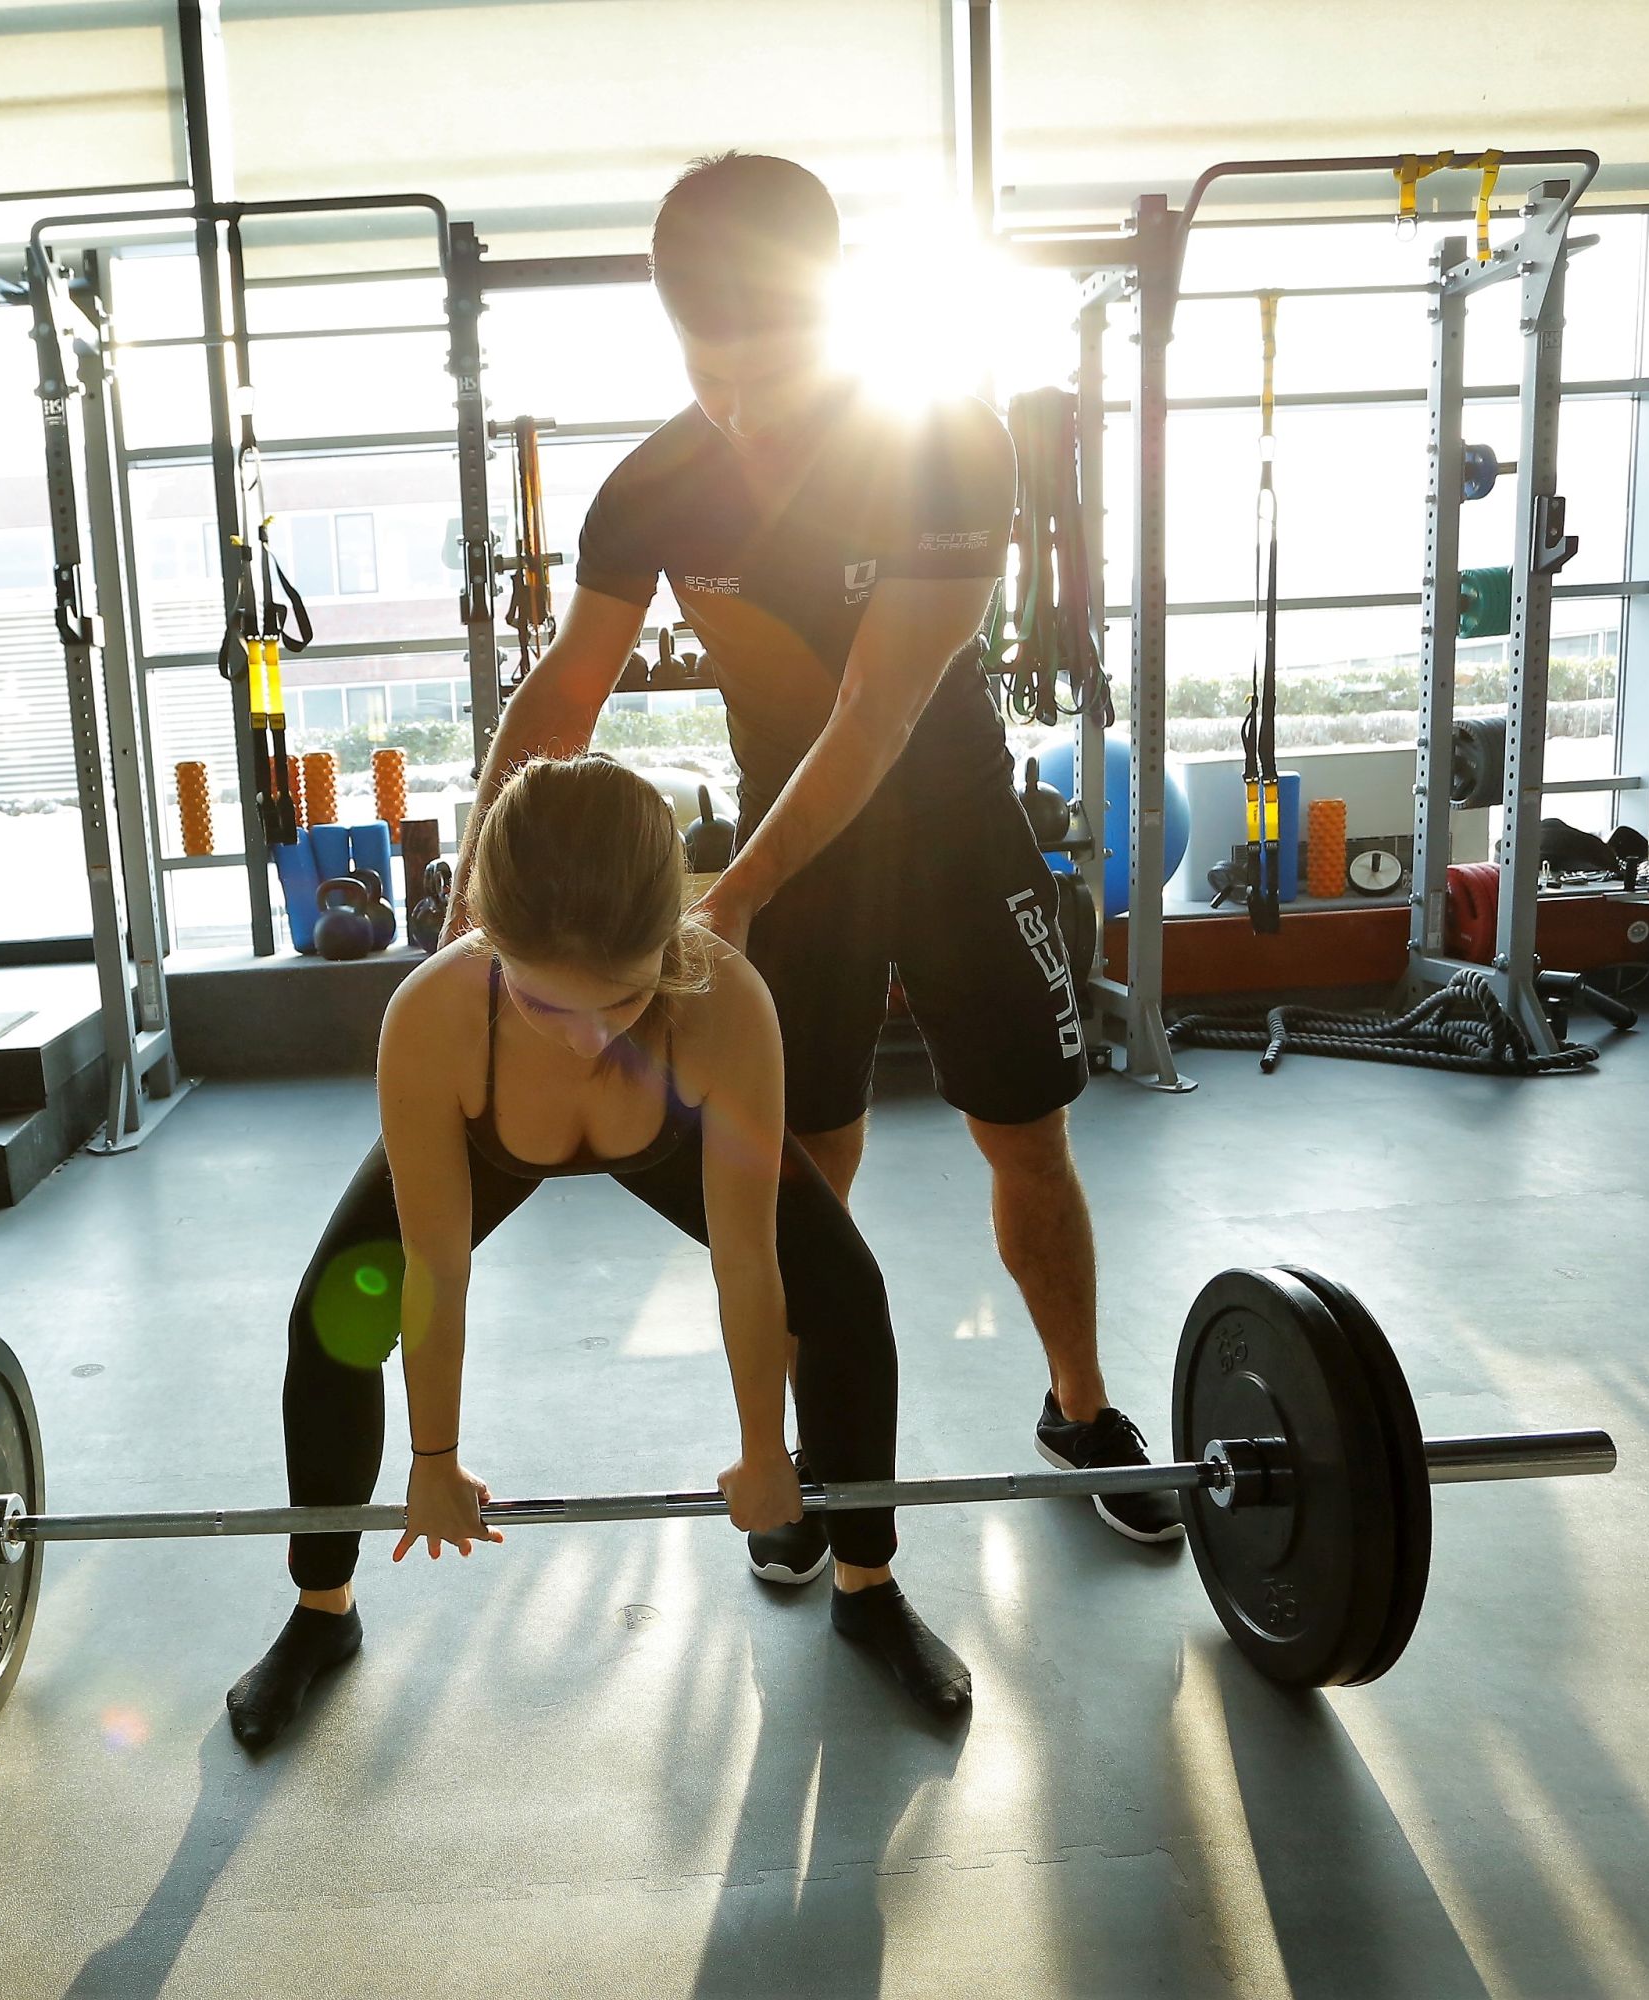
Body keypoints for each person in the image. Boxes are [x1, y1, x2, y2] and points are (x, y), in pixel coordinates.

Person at [448, 153, 1181, 1557]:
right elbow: (563, 694)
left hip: (955, 833)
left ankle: (1081, 1408)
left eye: (769, 378)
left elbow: (878, 708)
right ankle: (791, 1452)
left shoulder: (950, 446)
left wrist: (732, 896)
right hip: (795, 859)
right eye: (709, 378)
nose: (742, 414)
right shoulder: (653, 488)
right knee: (799, 1167)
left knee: (1024, 1138)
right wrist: (472, 902)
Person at [226, 754, 970, 1750]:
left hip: (673, 1127)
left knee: (842, 1290)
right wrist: (433, 1459)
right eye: (545, 1005)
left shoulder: (724, 1001)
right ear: (489, 936)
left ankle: (866, 1583)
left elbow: (747, 1259)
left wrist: (763, 1450)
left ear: (668, 945)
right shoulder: (433, 1016)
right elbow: (436, 1266)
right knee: (335, 1320)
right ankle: (323, 1608)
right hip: (490, 1131)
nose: (584, 1042)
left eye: (619, 1003)